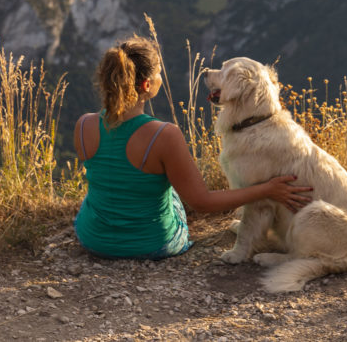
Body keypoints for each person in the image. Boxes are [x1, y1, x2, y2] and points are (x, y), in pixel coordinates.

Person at [72, 36, 311, 259]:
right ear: (146, 85)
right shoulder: (164, 135)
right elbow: (202, 203)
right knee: (172, 191)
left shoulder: (83, 125)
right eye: (158, 74)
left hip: (93, 239)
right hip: (152, 244)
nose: (160, 78)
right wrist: (266, 189)